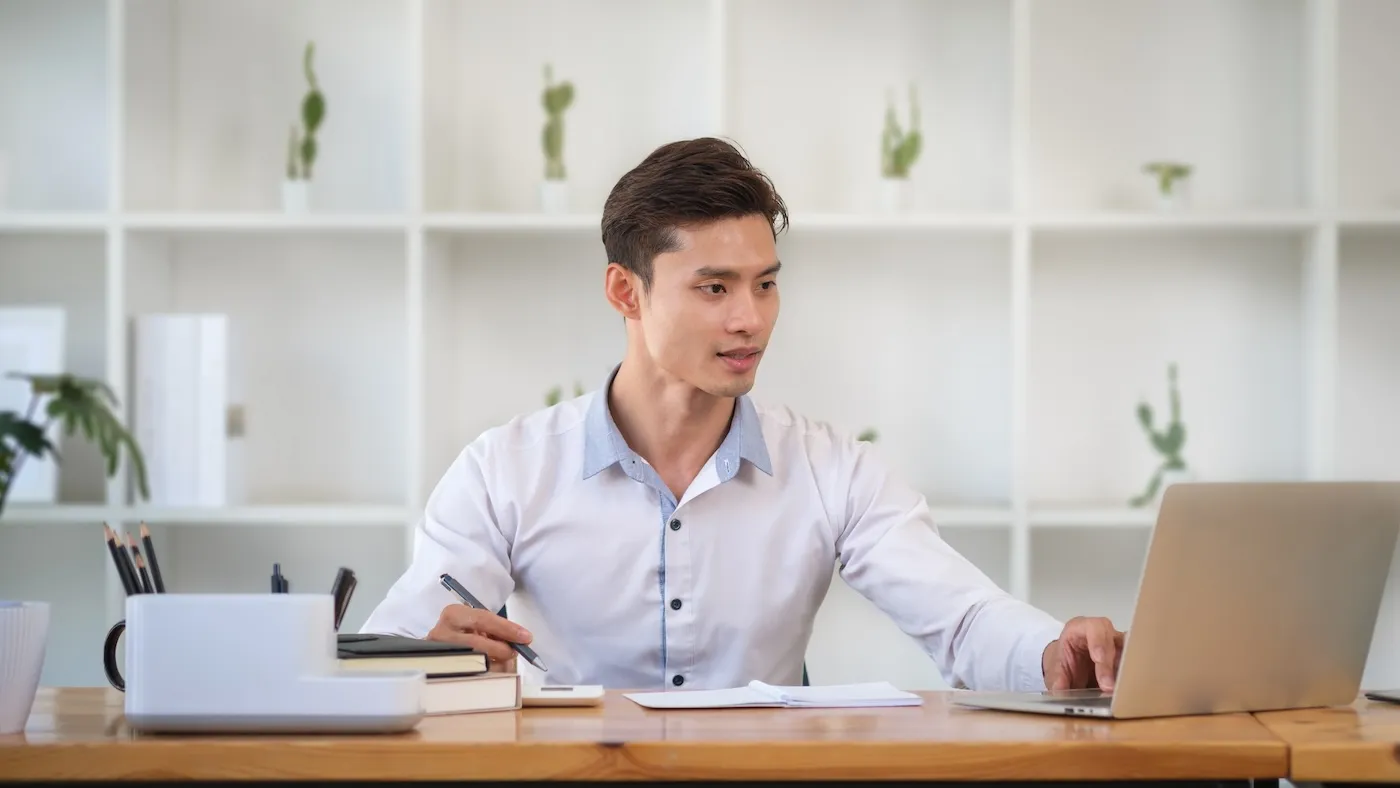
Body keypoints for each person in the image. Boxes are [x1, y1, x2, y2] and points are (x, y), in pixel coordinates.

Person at [361, 137, 1125, 693]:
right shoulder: (507, 469)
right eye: (715, 287)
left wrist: (1051, 651)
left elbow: (961, 621)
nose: (751, 320)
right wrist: (422, 654)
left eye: (765, 285)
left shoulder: (832, 469)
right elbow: (387, 651)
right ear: (626, 293)